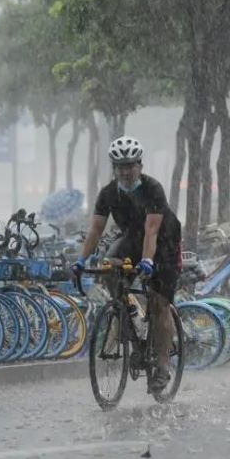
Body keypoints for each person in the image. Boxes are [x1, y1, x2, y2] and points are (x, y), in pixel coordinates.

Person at [71, 136, 182, 393]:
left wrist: (146, 261)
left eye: (130, 165)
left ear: (140, 165)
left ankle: (163, 366)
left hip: (163, 242)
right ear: (114, 169)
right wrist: (80, 261)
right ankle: (124, 315)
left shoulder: (153, 189)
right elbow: (96, 230)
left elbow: (152, 230)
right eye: (120, 166)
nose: (125, 171)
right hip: (132, 238)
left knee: (158, 301)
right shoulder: (108, 193)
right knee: (109, 265)